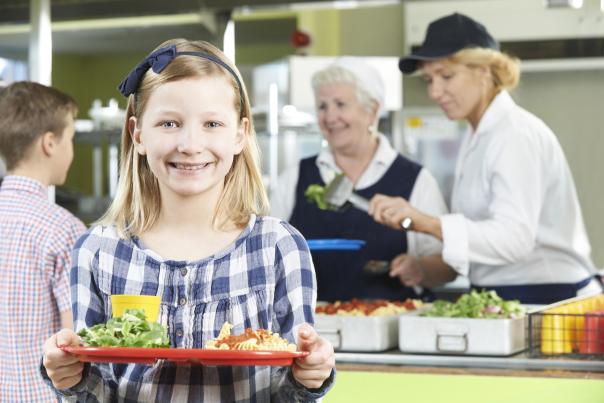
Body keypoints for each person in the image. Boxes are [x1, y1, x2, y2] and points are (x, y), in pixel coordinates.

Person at [41, 39, 335, 402]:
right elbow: (94, 392)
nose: (191, 144)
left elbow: (291, 392)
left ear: (240, 134)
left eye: (212, 123)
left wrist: (311, 375)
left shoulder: (279, 247)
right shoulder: (97, 251)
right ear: (138, 134)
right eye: (169, 123)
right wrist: (70, 377)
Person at [369, 13, 603, 304]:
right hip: (507, 297)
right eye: (429, 80)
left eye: (446, 76)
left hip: (547, 298)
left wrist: (426, 223)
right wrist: (423, 266)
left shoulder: (514, 134)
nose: (434, 91)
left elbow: (513, 240)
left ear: (484, 71)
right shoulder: (479, 135)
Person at [271, 57, 454, 302]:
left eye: (341, 104)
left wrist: (420, 269)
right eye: (322, 106)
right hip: (310, 329)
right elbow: (267, 254)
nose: (330, 116)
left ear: (373, 110)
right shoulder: (294, 177)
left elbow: (448, 266)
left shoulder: (415, 180)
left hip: (391, 327)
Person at [0, 81, 87, 402]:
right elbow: (74, 344)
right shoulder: (63, 229)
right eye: (71, 139)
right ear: (49, 143)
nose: (71, 151)